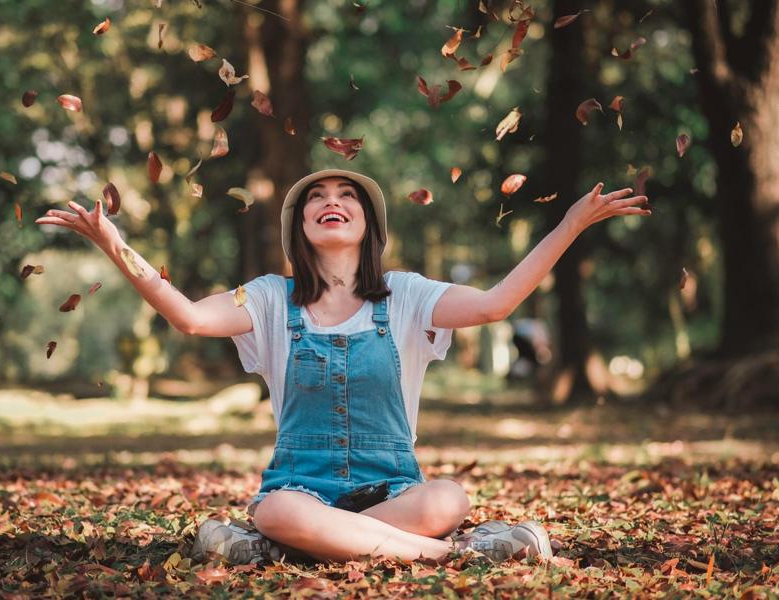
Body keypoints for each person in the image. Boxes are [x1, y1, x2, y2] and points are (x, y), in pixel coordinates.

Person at [36, 169, 650, 565]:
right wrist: (113, 243)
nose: (332, 202)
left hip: (395, 492)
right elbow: (190, 317)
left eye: (346, 195)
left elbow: (498, 304)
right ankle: (450, 556)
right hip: (301, 489)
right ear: (301, 228)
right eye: (317, 200)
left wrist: (571, 224)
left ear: (368, 225)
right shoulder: (271, 298)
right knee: (277, 509)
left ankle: (286, 550)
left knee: (448, 496)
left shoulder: (407, 296)